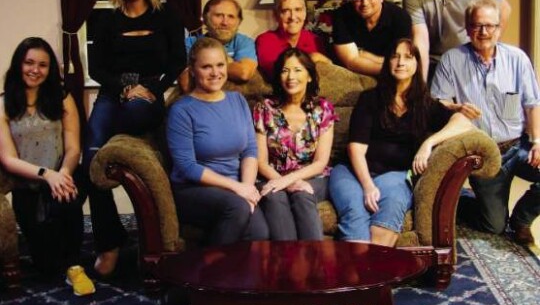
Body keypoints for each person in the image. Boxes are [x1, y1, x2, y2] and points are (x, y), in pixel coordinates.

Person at [83, 0, 186, 276]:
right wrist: (125, 87)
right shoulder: (107, 19)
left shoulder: (165, 13)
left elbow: (176, 60)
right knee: (91, 162)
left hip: (150, 93)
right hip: (114, 92)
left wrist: (151, 88)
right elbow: (97, 67)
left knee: (135, 114)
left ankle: (118, 134)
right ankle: (109, 243)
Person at [329, 38, 473, 246]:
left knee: (391, 210)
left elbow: (464, 122)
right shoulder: (370, 98)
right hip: (351, 172)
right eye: (395, 56)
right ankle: (357, 275)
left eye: (408, 57)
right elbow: (356, 149)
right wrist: (368, 187)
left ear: (417, 64)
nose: (401, 62)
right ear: (387, 62)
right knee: (355, 212)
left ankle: (376, 274)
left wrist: (429, 143)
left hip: (394, 175)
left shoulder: (425, 104)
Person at [431, 0, 540, 245]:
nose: (483, 31)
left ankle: (522, 220)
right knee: (494, 226)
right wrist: (455, 106)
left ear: (499, 28)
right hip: (484, 153)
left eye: (490, 25)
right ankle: (463, 202)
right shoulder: (452, 59)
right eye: (477, 25)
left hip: (518, 145)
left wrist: (537, 141)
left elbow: (532, 103)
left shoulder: (517, 59)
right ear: (468, 28)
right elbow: (436, 102)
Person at [0, 37, 95, 296]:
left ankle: (76, 266)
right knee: (46, 266)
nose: (35, 70)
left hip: (62, 176)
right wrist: (46, 175)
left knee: (67, 196)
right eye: (29, 62)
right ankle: (58, 256)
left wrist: (63, 174)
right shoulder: (3, 104)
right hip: (28, 186)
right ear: (19, 64)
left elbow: (74, 146)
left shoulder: (62, 98)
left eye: (42, 65)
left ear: (50, 69)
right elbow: (8, 159)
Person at [167, 36, 269, 245]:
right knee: (237, 208)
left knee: (260, 233)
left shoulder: (237, 100)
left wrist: (247, 188)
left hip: (237, 188)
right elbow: (187, 166)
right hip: (194, 190)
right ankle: (210, 275)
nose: (215, 73)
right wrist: (236, 189)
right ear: (193, 70)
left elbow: (250, 149)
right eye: (206, 67)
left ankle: (243, 277)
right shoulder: (181, 110)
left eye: (220, 65)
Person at [253, 48, 338, 241]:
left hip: (313, 177)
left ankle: (315, 262)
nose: (291, 76)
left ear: (309, 76)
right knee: (275, 197)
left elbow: (320, 162)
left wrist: (289, 180)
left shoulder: (322, 109)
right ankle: (286, 263)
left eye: (298, 70)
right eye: (285, 70)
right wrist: (281, 182)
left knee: (301, 194)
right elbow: (261, 162)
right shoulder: (264, 109)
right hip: (272, 175)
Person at [332, 0, 411, 76]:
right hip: (351, 77)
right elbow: (351, 61)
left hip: (390, 81)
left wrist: (363, 55)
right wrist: (390, 69)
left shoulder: (400, 17)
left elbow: (402, 61)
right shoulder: (342, 15)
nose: (364, 3)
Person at [179, 0, 258, 91]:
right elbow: (186, 83)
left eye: (231, 16)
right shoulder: (190, 43)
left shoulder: (244, 42)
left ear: (238, 21)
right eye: (219, 15)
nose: (225, 22)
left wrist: (204, 65)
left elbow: (243, 73)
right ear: (205, 19)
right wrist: (231, 63)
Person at [256, 0, 331, 81]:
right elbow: (275, 73)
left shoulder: (315, 40)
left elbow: (327, 73)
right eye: (285, 11)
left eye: (298, 9)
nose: (292, 16)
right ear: (276, 15)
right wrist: (311, 58)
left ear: (305, 13)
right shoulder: (265, 40)